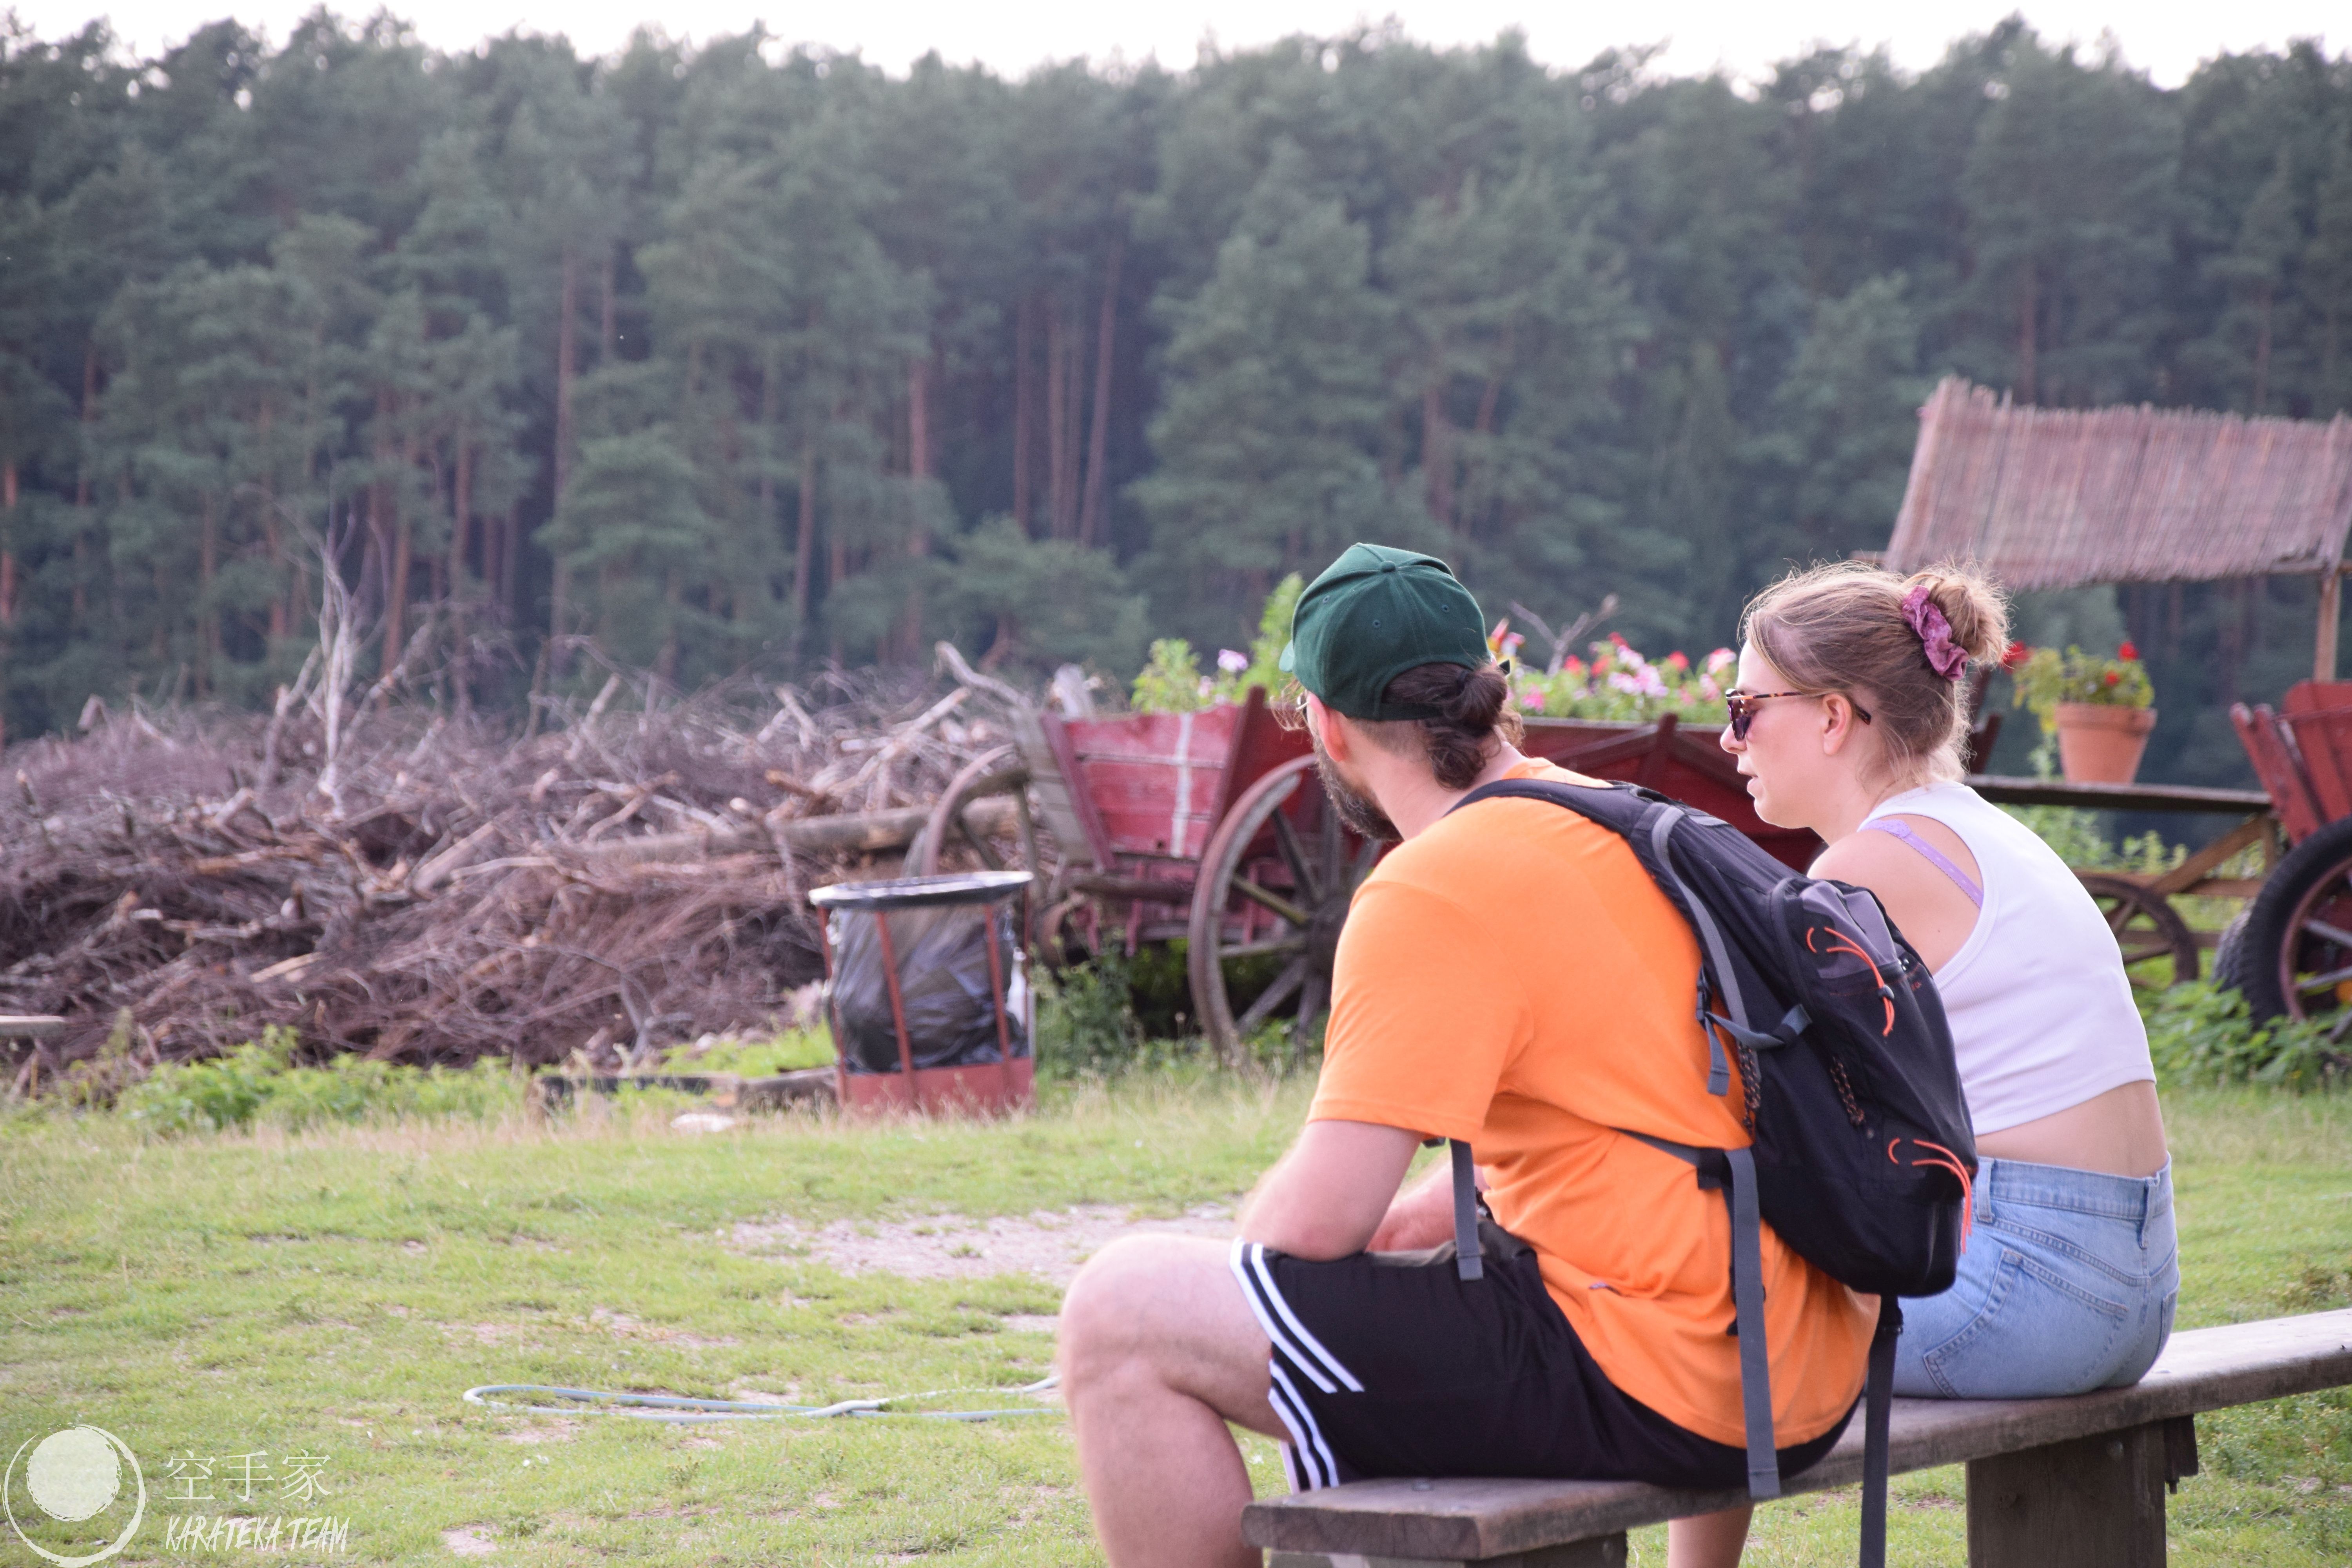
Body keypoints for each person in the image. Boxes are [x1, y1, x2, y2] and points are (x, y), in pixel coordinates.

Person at [1057, 543, 1873, 1568]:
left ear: (1328, 725)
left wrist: (1233, 1278)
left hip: (1666, 1373)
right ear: (1490, 691)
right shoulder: (1611, 822)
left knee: (1122, 1314)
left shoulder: (1432, 887)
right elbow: (1593, 1140)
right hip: (1797, 1356)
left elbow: (1314, 1223)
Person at [1685, 560, 2179, 1548]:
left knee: (1704, 1332)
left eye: (1746, 707)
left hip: (2033, 1285)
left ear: (1833, 716)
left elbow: (1759, 1103)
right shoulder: (1979, 832)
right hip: (2133, 1278)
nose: (1729, 737)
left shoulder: (1866, 867)